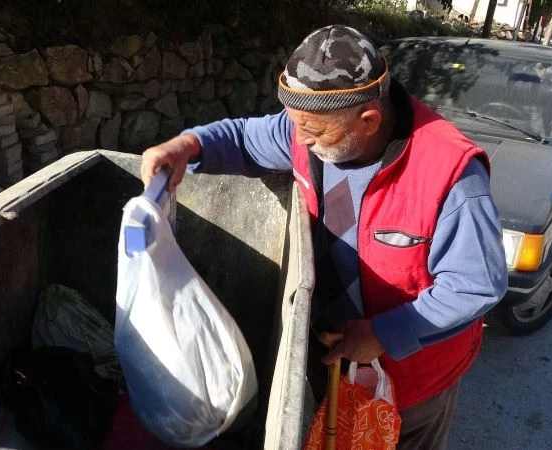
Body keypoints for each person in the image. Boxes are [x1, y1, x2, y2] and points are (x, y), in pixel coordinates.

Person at [141, 25, 507, 449]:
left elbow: (476, 284)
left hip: (405, 389)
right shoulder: (308, 131)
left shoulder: (451, 175)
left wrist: (385, 333)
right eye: (295, 125)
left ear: (368, 120)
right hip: (328, 356)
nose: (298, 140)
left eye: (312, 131)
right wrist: (187, 146)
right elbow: (243, 137)